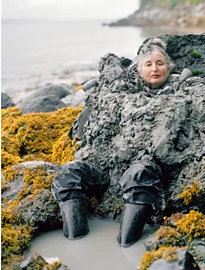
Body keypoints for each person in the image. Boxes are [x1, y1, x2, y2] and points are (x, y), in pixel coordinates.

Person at [51, 38, 175, 247]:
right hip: (106, 167)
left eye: (160, 63)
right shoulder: (119, 92)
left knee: (140, 174)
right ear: (138, 69)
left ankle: (126, 245)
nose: (155, 68)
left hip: (143, 168)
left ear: (168, 68)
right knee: (68, 174)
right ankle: (76, 244)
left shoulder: (181, 94)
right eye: (148, 64)